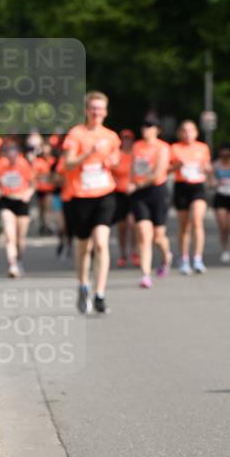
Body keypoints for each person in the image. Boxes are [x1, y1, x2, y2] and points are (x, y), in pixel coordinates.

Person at [62, 92, 121, 314]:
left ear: (105, 112)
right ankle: (83, 285)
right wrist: (87, 153)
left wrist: (112, 161)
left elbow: (116, 161)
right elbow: (68, 164)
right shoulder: (76, 134)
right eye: (93, 108)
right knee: (83, 247)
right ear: (86, 111)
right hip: (80, 195)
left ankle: (100, 293)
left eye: (100, 109)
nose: (96, 112)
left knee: (101, 243)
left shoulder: (111, 136)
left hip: (104, 194)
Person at [128, 117, 172, 287]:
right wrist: (131, 183)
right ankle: (145, 274)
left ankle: (166, 256)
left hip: (157, 192)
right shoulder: (137, 146)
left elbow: (158, 173)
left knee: (158, 236)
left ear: (157, 130)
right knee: (144, 233)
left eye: (150, 126)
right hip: (139, 194)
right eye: (144, 126)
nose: (146, 129)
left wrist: (137, 184)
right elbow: (133, 169)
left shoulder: (162, 147)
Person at [169, 120, 212, 275]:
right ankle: (184, 259)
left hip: (197, 187)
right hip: (181, 187)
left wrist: (207, 169)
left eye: (191, 130)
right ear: (180, 133)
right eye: (184, 131)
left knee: (197, 220)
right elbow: (166, 169)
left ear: (196, 132)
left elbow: (208, 168)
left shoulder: (202, 148)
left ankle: (198, 259)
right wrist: (176, 166)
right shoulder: (174, 148)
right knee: (184, 226)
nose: (188, 134)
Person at [0, 139, 34, 277]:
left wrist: (28, 193)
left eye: (13, 152)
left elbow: (33, 183)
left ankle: (19, 259)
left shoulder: (24, 164)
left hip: (21, 202)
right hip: (6, 201)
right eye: (7, 152)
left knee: (20, 239)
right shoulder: (0, 164)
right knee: (10, 236)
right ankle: (13, 265)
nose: (10, 155)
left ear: (18, 153)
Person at [111, 129, 136, 267]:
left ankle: (134, 251)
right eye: (124, 138)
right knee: (122, 226)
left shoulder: (136, 154)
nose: (126, 141)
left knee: (133, 224)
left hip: (133, 193)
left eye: (129, 138)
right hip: (119, 193)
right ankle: (123, 253)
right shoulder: (117, 155)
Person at [32, 141, 56, 234]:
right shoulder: (38, 161)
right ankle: (42, 224)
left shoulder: (53, 161)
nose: (46, 153)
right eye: (44, 151)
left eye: (47, 150)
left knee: (47, 208)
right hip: (40, 188)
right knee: (41, 209)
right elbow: (34, 174)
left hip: (49, 189)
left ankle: (48, 225)